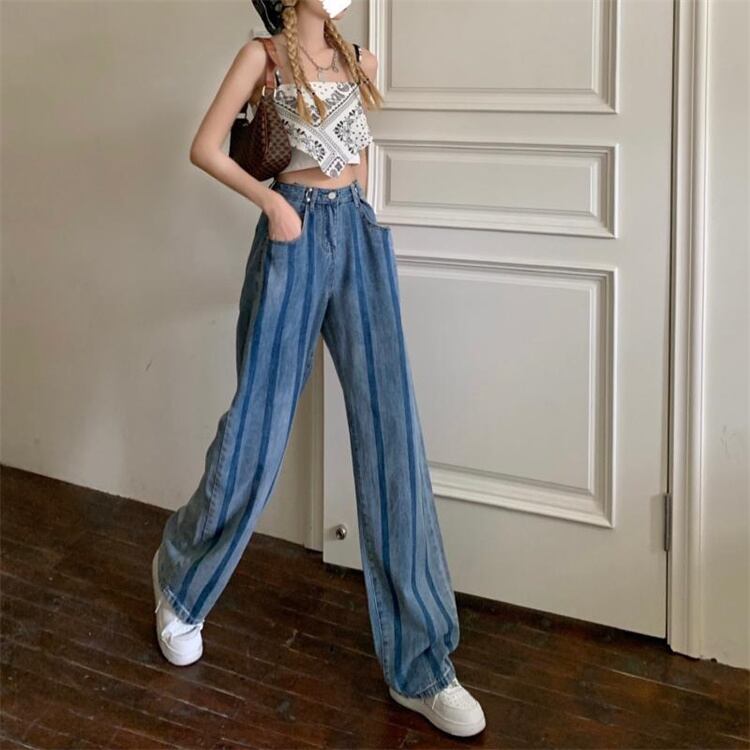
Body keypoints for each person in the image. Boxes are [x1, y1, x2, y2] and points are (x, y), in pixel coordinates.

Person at [151, 0, 486, 737]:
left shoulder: (359, 60)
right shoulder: (262, 58)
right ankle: (181, 583)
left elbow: (355, 153)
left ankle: (423, 664)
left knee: (391, 435)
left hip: (356, 233)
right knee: (258, 429)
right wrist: (272, 204)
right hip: (294, 234)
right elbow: (206, 147)